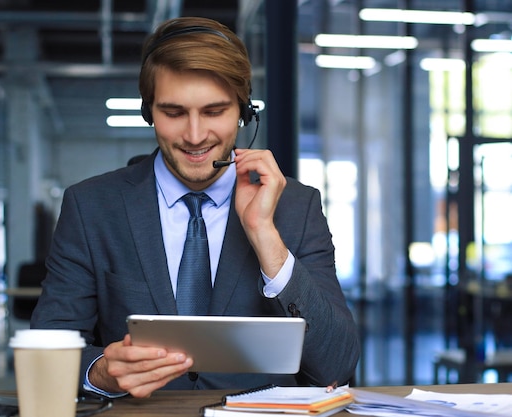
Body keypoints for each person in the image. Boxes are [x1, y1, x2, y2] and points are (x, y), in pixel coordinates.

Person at [31, 16, 360, 399]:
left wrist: (265, 236)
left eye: (214, 111)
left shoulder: (297, 208)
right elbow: (45, 352)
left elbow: (338, 364)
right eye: (173, 113)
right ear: (148, 111)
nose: (194, 135)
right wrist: (100, 371)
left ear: (244, 111)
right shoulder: (92, 207)